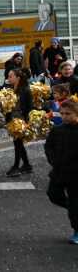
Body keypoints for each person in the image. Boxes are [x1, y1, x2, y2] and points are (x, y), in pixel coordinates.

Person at [44, 99, 78, 244]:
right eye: (62, 113)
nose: (64, 116)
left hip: (76, 174)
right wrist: (53, 160)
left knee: (75, 204)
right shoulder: (57, 130)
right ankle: (73, 208)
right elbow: (48, 146)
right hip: (59, 170)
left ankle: (77, 230)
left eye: (68, 114)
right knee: (53, 194)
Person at [5, 69, 34, 177]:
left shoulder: (26, 90)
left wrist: (26, 122)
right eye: (8, 76)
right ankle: (26, 165)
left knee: (18, 144)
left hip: (21, 121)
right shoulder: (10, 89)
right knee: (18, 144)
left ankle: (16, 166)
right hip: (13, 120)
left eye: (11, 76)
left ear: (18, 78)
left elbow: (29, 108)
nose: (8, 78)